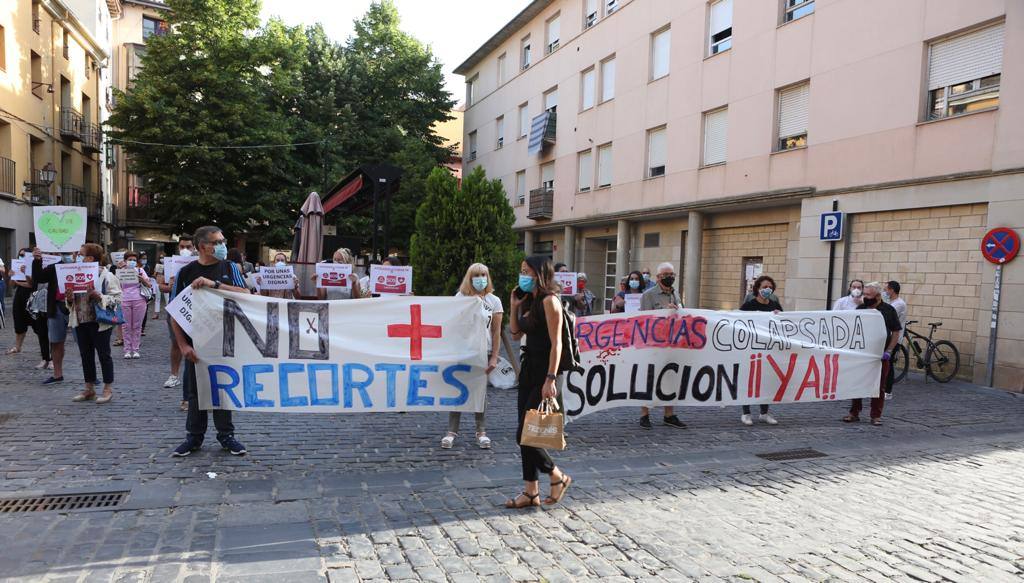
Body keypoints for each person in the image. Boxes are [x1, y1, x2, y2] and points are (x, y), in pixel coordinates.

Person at [171, 226, 249, 457]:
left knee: (222, 390)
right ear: (204, 246)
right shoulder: (186, 272)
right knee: (196, 392)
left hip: (225, 338)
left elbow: (245, 293)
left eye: (223, 239)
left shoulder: (229, 267)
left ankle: (227, 436)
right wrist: (183, 345)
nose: (223, 244)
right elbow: (174, 311)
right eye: (218, 241)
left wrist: (214, 285)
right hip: (196, 340)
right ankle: (193, 437)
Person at [506, 255, 571, 508]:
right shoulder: (529, 301)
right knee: (527, 431)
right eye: (521, 270)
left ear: (540, 274)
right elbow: (515, 333)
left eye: (527, 271)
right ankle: (530, 491)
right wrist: (514, 306)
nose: (522, 275)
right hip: (528, 370)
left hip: (545, 371)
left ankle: (557, 476)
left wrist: (551, 378)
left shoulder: (550, 301)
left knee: (524, 434)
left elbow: (558, 343)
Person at [442, 263, 502, 450]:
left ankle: (481, 431)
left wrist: (494, 357)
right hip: (462, 351)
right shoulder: (460, 298)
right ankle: (452, 431)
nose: (480, 278)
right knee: (457, 390)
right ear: (469, 277)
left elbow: (496, 331)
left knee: (480, 392)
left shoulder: (494, 301)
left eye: (484, 274)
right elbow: (452, 325)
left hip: (483, 352)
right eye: (476, 275)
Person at [68, 244, 121, 404]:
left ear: (90, 258)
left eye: (80, 254)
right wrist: (69, 298)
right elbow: (70, 301)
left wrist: (100, 297)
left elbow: (118, 299)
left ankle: (107, 388)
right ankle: (89, 388)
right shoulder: (75, 274)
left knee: (104, 355)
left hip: (100, 322)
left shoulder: (107, 276)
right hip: (81, 320)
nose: (77, 256)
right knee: (86, 355)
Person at [843, 282, 901, 426]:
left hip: (880, 355)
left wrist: (889, 350)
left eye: (869, 295)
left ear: (877, 295)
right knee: (858, 383)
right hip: (862, 354)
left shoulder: (888, 310)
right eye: (865, 294)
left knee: (879, 386)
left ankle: (876, 415)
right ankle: (854, 412)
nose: (865, 297)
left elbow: (896, 331)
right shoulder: (861, 309)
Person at [638, 262, 686, 429]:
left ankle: (669, 414)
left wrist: (678, 311)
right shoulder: (648, 295)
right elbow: (644, 321)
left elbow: (683, 315)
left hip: (673, 343)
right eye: (665, 275)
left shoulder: (676, 294)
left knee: (671, 378)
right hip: (654, 344)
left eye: (672, 274)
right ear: (658, 278)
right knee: (650, 379)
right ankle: (644, 414)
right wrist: (664, 313)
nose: (669, 277)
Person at [738, 275, 782, 426]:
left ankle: (764, 413)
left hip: (769, 349)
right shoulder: (749, 305)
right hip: (751, 349)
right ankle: (746, 413)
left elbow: (784, 323)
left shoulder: (774, 305)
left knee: (766, 381)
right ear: (757, 288)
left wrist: (779, 316)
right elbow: (737, 321)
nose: (767, 289)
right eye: (764, 287)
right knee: (749, 380)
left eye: (770, 287)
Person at [160, 236, 195, 408]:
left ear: (195, 247)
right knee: (176, 343)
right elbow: (162, 287)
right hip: (176, 308)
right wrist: (172, 283)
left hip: (195, 310)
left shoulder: (197, 265)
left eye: (188, 246)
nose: (185, 249)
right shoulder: (171, 265)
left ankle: (192, 394)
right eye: (182, 246)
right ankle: (174, 375)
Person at [8, 248, 51, 368]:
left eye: (23, 255)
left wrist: (22, 277)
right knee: (19, 320)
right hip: (20, 296)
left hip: (32, 296)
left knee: (38, 325)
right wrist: (11, 276)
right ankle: (18, 346)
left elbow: (32, 284)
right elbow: (11, 285)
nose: (21, 257)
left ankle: (46, 352)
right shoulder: (16, 265)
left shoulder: (35, 266)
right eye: (20, 255)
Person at [36, 252, 74, 385]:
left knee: (85, 343)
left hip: (78, 309)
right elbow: (39, 277)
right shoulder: (55, 267)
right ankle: (57, 374)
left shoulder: (84, 267)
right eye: (65, 253)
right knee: (56, 342)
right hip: (57, 307)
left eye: (69, 253)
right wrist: (37, 260)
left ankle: (91, 376)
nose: (67, 255)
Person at [118, 251, 152, 359]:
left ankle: (135, 349)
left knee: (137, 326)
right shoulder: (121, 272)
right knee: (126, 326)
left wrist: (142, 279)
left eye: (134, 260)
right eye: (129, 260)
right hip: (125, 300)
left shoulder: (140, 270)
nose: (132, 262)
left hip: (139, 300)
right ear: (125, 261)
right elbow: (116, 286)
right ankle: (127, 350)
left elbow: (149, 285)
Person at [883, 280, 907, 400]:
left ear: (892, 290)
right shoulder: (891, 302)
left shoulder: (899, 304)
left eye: (886, 289)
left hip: (894, 338)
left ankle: (888, 391)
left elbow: (885, 315)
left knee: (889, 363)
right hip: (887, 336)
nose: (884, 292)